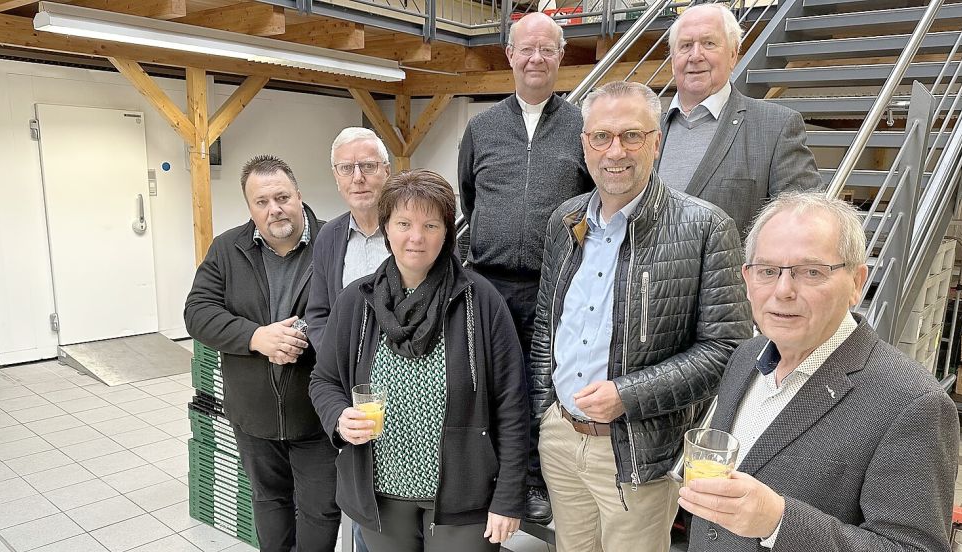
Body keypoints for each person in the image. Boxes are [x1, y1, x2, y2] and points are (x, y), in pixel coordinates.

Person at [530, 80, 752, 552]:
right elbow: (547, 329)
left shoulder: (705, 227)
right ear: (584, 144)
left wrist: (627, 395)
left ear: (657, 142)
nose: (615, 151)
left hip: (638, 450)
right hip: (562, 437)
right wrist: (542, 414)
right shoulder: (565, 220)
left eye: (632, 136)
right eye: (601, 137)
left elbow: (727, 350)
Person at [680, 192, 959, 552]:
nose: (783, 291)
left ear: (857, 282)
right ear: (747, 279)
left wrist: (777, 522)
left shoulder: (912, 403)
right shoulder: (746, 357)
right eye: (767, 271)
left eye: (811, 272)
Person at [310, 169, 529, 552]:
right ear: (386, 229)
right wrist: (339, 418)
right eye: (404, 223)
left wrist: (509, 496)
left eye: (430, 224)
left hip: (465, 500)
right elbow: (323, 381)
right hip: (382, 495)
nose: (416, 237)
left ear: (447, 233)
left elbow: (512, 405)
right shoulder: (356, 302)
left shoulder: (481, 301)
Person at [458, 11, 593, 524]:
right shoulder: (482, 127)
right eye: (525, 49)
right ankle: (488, 477)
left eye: (547, 49)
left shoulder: (581, 127)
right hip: (489, 282)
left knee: (543, 387)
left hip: (554, 285)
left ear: (560, 56)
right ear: (509, 55)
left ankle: (534, 481)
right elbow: (470, 199)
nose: (535, 58)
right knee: (486, 382)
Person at [184, 155, 339, 552]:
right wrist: (256, 337)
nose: (275, 209)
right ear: (249, 208)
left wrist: (300, 336)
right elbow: (197, 312)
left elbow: (350, 310)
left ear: (299, 196)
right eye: (262, 202)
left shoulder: (333, 243)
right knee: (269, 503)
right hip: (253, 413)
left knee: (321, 510)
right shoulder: (227, 249)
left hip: (317, 413)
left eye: (282, 197)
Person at [657, 3, 822, 235]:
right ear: (673, 58)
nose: (695, 56)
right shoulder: (647, 128)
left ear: (733, 54)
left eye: (709, 43)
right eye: (685, 46)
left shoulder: (775, 128)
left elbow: (805, 224)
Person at [303, 128, 392, 552]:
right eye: (347, 168)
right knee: (360, 491)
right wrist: (339, 361)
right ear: (336, 177)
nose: (358, 177)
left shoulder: (412, 229)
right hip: (353, 387)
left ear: (386, 172)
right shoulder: (329, 237)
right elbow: (318, 313)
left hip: (413, 379)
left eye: (368, 166)